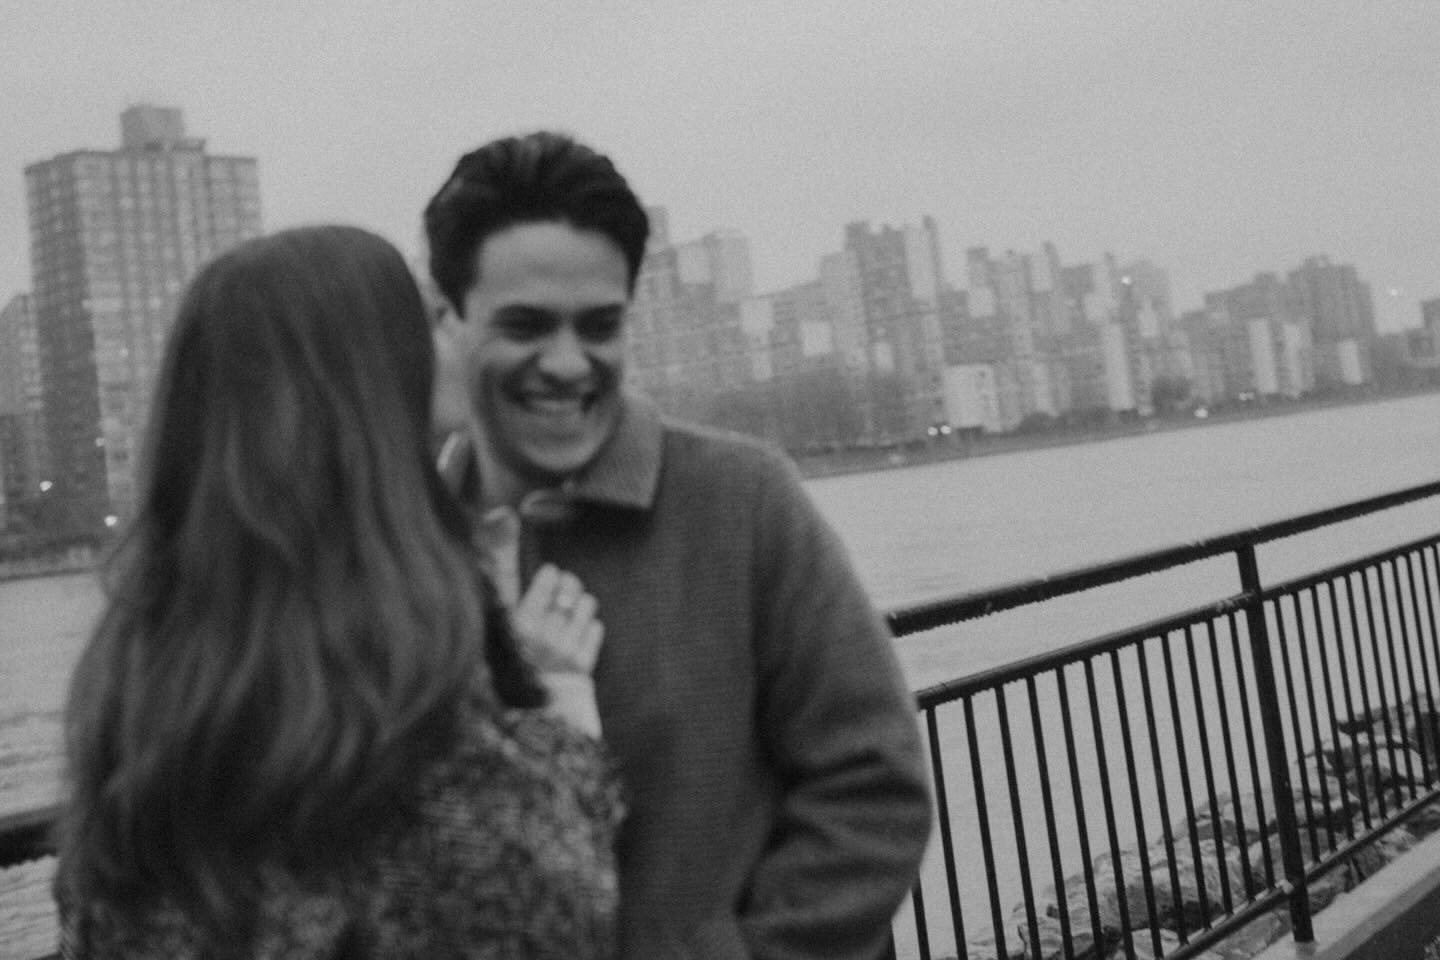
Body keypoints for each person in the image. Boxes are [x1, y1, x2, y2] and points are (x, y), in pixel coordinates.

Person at [425, 132, 932, 960]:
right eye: (525, 326)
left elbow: (875, 792)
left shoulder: (744, 502)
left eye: (599, 326)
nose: (566, 363)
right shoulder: (403, 548)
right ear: (447, 320)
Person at [55, 225, 621, 959]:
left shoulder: (144, 703)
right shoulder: (403, 724)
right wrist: (561, 708)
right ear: (374, 382)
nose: (454, 334)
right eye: (427, 317)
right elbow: (557, 912)